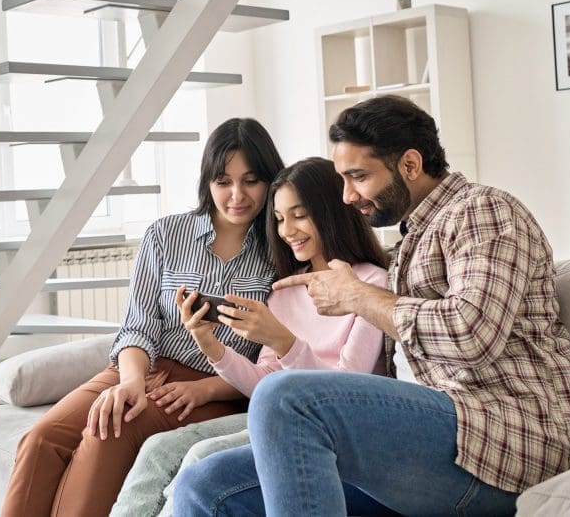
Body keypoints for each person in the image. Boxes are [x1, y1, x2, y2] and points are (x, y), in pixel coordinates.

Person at [173, 96, 570, 515]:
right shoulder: (410, 241)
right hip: (424, 443)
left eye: (358, 177)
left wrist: (356, 296)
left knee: (286, 396)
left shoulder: (483, 211)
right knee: (203, 484)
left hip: (498, 441)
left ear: (409, 164)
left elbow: (471, 333)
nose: (348, 197)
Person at [1, 117, 284, 517]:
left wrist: (206, 389)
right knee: (40, 438)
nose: (237, 194)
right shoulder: (165, 234)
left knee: (110, 431)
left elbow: (274, 362)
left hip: (217, 386)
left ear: (270, 182)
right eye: (223, 181)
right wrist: (131, 381)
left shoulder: (281, 251)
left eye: (251, 181)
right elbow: (138, 325)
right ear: (208, 182)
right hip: (141, 367)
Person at [110, 157, 389, 517]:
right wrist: (209, 342)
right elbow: (263, 384)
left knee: (199, 458)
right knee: (158, 450)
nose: (287, 230)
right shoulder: (284, 292)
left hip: (332, 430)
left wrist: (284, 342)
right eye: (279, 218)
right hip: (274, 414)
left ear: (331, 211)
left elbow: (346, 391)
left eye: (299, 215)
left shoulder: (370, 285)